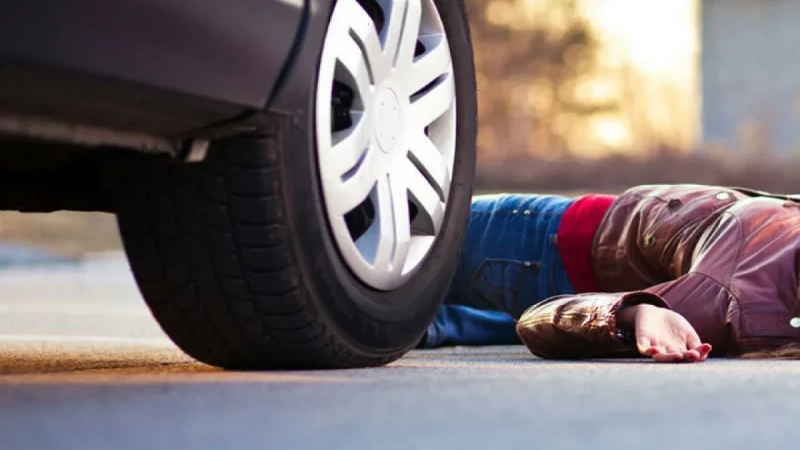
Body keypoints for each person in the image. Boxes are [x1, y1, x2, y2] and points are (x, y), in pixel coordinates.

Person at [418, 184, 800, 362]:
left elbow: (539, 318)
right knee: (394, 313)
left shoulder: (730, 299)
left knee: (373, 248)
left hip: (533, 250)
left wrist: (635, 313)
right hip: (552, 235)